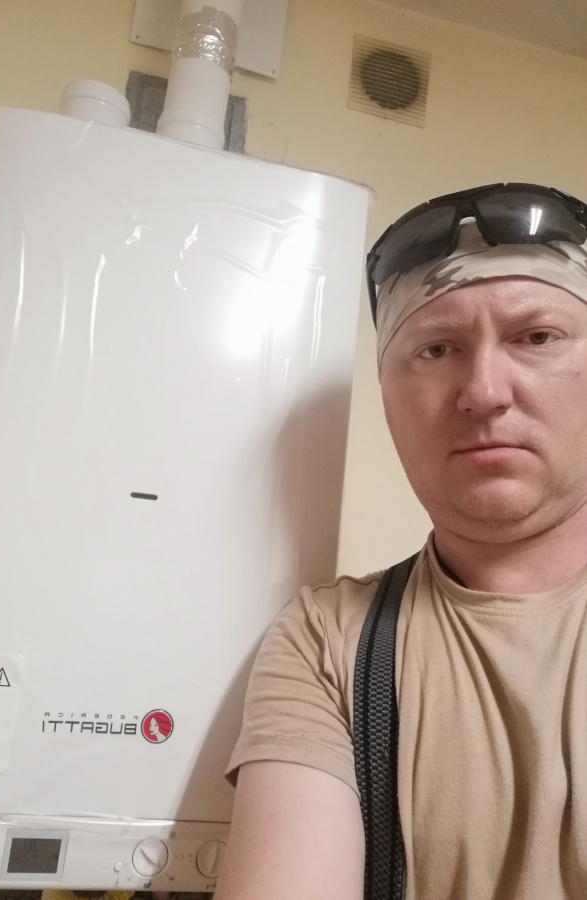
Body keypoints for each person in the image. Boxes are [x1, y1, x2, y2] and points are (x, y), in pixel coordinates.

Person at [214, 183, 587, 900]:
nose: (483, 391)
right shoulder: (327, 643)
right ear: (387, 396)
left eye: (536, 337)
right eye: (436, 349)